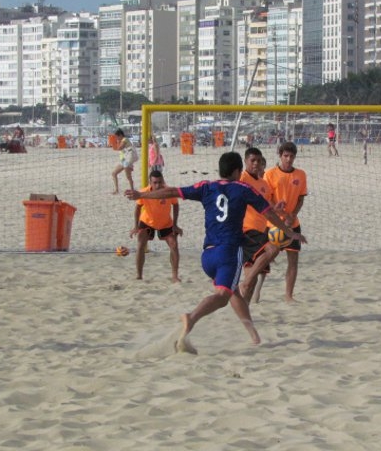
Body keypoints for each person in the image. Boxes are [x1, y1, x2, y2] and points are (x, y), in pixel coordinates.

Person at [125, 151, 306, 348]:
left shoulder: (206, 187)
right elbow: (269, 213)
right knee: (222, 296)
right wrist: (290, 232)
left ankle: (253, 335)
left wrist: (142, 194)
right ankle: (191, 317)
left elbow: (172, 191)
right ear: (238, 171)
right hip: (229, 253)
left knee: (232, 291)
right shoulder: (244, 188)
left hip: (207, 255)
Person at [264, 142, 308, 302]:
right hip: (274, 224)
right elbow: (266, 200)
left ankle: (289, 296)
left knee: (293, 261)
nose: (288, 159)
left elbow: (301, 199)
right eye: (285, 156)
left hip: (293, 223)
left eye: (291, 156)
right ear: (280, 156)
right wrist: (282, 214)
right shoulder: (269, 174)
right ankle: (253, 291)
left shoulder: (301, 174)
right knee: (264, 260)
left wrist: (292, 215)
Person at [238, 148, 280, 304]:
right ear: (246, 161)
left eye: (259, 161)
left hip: (260, 231)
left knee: (253, 279)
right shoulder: (242, 178)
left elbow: (266, 206)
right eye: (252, 160)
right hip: (246, 230)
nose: (256, 164)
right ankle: (245, 282)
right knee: (273, 249)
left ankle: (244, 312)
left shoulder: (263, 184)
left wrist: (276, 208)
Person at [130, 170, 182, 283]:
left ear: (162, 180)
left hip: (165, 223)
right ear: (150, 182)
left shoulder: (168, 191)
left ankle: (175, 276)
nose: (157, 185)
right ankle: (139, 275)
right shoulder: (144, 192)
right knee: (140, 243)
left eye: (159, 182)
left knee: (174, 245)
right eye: (155, 182)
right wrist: (135, 226)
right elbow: (138, 208)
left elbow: (176, 205)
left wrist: (175, 224)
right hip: (147, 222)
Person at [111, 129, 135, 194]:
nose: (116, 138)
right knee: (114, 173)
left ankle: (132, 190)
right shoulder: (122, 140)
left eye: (117, 136)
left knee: (128, 177)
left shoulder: (125, 140)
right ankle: (117, 190)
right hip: (123, 161)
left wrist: (114, 142)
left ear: (120, 135)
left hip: (127, 160)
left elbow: (119, 148)